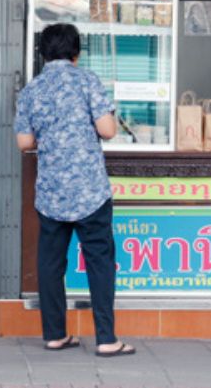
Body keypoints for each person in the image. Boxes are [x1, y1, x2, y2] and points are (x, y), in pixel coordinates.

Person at [13, 23, 133, 358]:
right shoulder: (87, 81)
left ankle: (55, 335)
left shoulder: (31, 90)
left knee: (51, 263)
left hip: (51, 191)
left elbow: (24, 142)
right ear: (76, 53)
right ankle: (106, 339)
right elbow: (107, 130)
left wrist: (50, 136)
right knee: (100, 262)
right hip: (89, 190)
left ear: (43, 54)